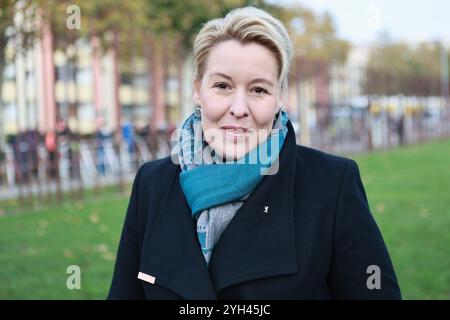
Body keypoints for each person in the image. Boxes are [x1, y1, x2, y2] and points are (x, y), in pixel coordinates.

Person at [108, 6, 401, 300]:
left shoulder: (331, 184)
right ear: (198, 89)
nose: (238, 108)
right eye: (222, 85)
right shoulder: (152, 184)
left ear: (279, 97)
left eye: (258, 90)